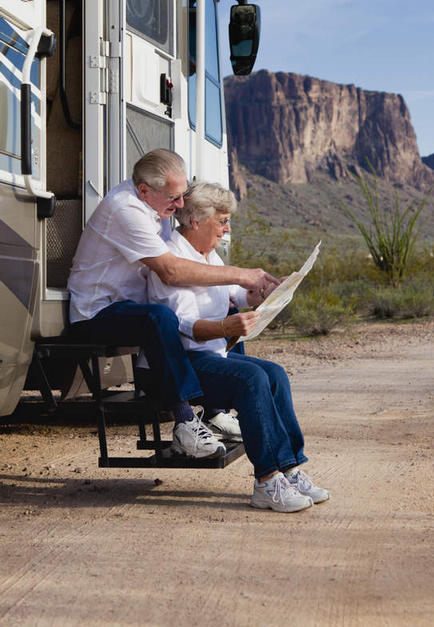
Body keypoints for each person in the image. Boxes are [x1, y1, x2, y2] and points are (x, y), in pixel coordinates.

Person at [67, 149, 278, 459]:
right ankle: (184, 422)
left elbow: (183, 268)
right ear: (144, 190)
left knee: (214, 309)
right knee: (159, 317)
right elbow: (171, 270)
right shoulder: (125, 209)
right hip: (96, 312)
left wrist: (254, 291)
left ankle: (215, 411)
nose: (180, 205)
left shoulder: (156, 207)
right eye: (174, 198)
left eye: (182, 197)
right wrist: (244, 275)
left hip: (129, 304)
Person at [148, 181, 330, 513]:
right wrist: (225, 327)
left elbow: (236, 294)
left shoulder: (208, 254)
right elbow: (184, 328)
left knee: (274, 374)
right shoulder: (173, 257)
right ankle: (266, 481)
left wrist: (263, 294)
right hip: (184, 363)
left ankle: (289, 469)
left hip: (211, 357)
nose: (227, 228)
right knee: (252, 379)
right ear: (196, 221)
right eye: (222, 220)